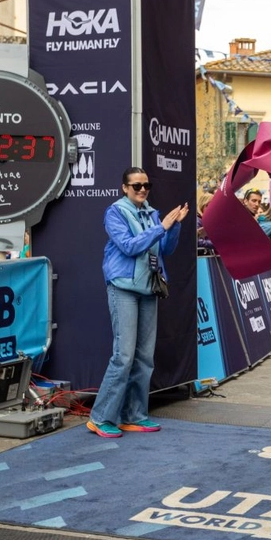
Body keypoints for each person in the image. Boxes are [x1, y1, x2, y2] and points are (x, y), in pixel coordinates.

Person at [87, 167, 188, 438]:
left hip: (148, 289)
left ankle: (133, 415)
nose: (142, 189)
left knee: (144, 357)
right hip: (123, 288)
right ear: (124, 188)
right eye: (136, 186)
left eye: (146, 185)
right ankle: (100, 417)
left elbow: (165, 249)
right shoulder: (115, 212)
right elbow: (129, 246)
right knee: (124, 356)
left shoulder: (152, 214)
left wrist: (174, 226)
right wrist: (162, 226)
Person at [195, 191, 215, 255]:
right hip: (202, 258)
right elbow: (196, 241)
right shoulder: (197, 220)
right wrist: (215, 244)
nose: (212, 208)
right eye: (208, 205)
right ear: (203, 206)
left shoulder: (211, 220)